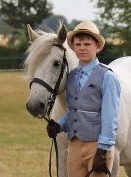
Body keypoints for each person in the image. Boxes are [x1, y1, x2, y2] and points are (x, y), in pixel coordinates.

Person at [46, 21, 121, 177]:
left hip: (97, 147)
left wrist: (103, 150)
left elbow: (111, 116)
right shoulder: (71, 77)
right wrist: (59, 125)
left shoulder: (107, 76)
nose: (82, 47)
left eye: (87, 44)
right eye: (78, 44)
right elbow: (74, 111)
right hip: (74, 146)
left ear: (98, 46)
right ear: (73, 48)